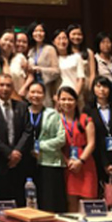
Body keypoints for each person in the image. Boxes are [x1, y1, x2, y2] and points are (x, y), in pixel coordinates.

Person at [0, 74, 32, 207]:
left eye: (8, 85)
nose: (5, 88)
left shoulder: (22, 106)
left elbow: (28, 131)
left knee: (20, 201)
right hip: (0, 161)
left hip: (20, 161)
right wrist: (8, 153)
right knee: (2, 202)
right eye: (1, 85)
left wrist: (17, 152)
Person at [23, 82, 67, 213]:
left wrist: (40, 146)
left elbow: (61, 139)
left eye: (39, 92)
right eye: (32, 92)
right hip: (26, 161)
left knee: (48, 203)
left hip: (48, 162)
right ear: (28, 94)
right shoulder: (22, 112)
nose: (35, 95)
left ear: (44, 95)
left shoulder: (52, 114)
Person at [56, 86, 97, 212]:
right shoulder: (55, 119)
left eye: (70, 99)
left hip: (85, 163)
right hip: (67, 164)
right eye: (63, 99)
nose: (66, 102)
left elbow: (91, 143)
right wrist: (67, 161)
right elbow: (55, 145)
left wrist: (80, 161)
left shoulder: (86, 119)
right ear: (58, 101)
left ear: (76, 101)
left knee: (88, 202)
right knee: (71, 203)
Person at [26, 22, 60, 107]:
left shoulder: (50, 49)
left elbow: (56, 71)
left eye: (41, 31)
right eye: (35, 31)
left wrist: (39, 69)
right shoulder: (31, 51)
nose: (38, 33)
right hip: (32, 87)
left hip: (46, 88)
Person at [53, 29, 85, 98]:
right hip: (59, 96)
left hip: (75, 93)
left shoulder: (76, 57)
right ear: (54, 42)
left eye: (64, 38)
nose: (62, 41)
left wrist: (74, 96)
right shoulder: (53, 60)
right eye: (59, 38)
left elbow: (81, 79)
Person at [67, 24, 96, 96]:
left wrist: (90, 88)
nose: (76, 37)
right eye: (74, 34)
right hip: (70, 85)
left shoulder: (89, 52)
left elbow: (92, 73)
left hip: (86, 87)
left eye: (79, 34)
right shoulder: (65, 52)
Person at [10, 31, 32, 101]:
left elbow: (30, 76)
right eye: (18, 41)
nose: (21, 44)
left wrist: (23, 88)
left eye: (24, 42)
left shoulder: (27, 59)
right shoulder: (8, 56)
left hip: (21, 94)